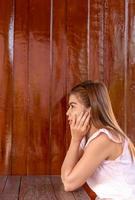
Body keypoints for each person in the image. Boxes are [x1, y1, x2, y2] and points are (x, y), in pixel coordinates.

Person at [61, 80, 135, 200]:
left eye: (72, 106)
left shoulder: (104, 139)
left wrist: (75, 141)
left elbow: (69, 184)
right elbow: (65, 178)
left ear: (90, 109)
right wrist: (76, 140)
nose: (67, 112)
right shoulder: (86, 136)